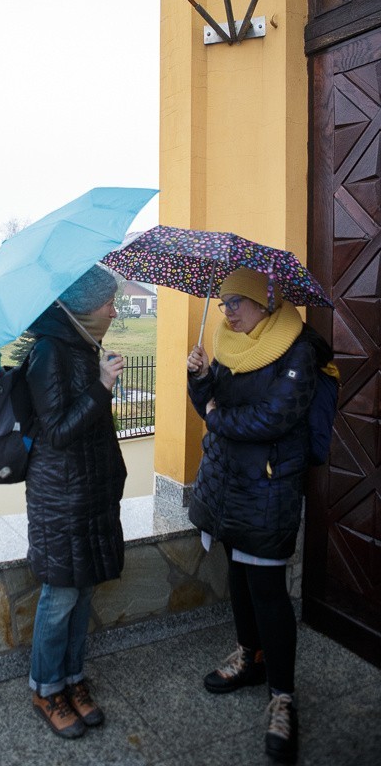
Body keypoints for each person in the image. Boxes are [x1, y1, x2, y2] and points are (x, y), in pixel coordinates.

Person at [186, 267, 335, 765]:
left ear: (264, 306)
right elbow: (208, 405)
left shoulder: (299, 351)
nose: (227, 311)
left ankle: (283, 697)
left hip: (269, 487)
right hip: (230, 484)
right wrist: (199, 378)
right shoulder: (230, 343)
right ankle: (249, 656)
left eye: (237, 302)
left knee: (268, 591)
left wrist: (213, 416)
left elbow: (275, 417)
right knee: (238, 576)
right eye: (224, 302)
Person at [24, 264, 125, 739]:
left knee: (83, 590)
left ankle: (72, 679)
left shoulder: (83, 346)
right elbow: (60, 432)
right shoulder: (48, 352)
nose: (114, 309)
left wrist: (101, 383)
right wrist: (101, 387)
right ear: (85, 305)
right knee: (61, 594)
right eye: (109, 301)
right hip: (61, 496)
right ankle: (46, 688)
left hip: (89, 491)